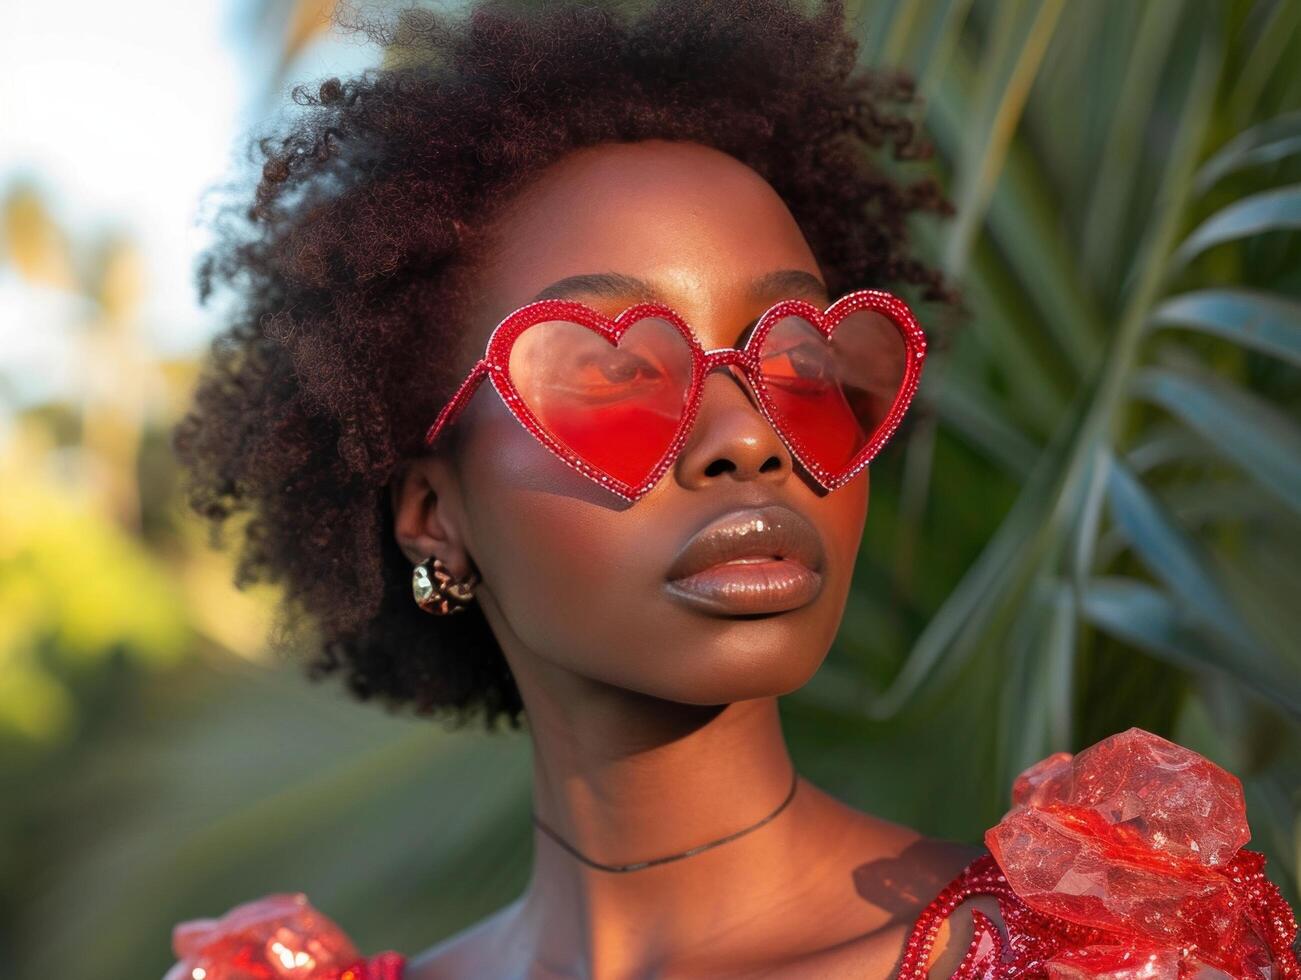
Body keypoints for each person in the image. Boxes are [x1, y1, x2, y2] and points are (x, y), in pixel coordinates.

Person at [165, 1, 1300, 977]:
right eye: (613, 368)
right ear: (432, 513)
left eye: (803, 362)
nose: (748, 435)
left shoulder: (1118, 947)